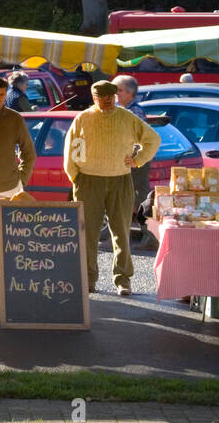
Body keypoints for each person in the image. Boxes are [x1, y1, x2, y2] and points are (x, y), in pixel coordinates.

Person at [63, 80, 161, 297]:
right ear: (94, 98)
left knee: (121, 231)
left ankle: (123, 279)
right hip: (88, 181)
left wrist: (138, 160)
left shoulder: (127, 117)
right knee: (88, 233)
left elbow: (152, 139)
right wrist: (76, 177)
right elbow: (71, 150)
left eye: (111, 97)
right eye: (102, 97)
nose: (107, 101)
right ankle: (88, 279)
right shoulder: (83, 118)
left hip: (120, 180)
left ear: (115, 97)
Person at [112, 74, 153, 230]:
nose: (116, 94)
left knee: (121, 196)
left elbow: (135, 140)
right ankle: (149, 233)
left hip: (134, 160)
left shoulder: (133, 112)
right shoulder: (125, 110)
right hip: (135, 159)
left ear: (130, 93)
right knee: (140, 196)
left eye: (119, 91)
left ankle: (115, 231)